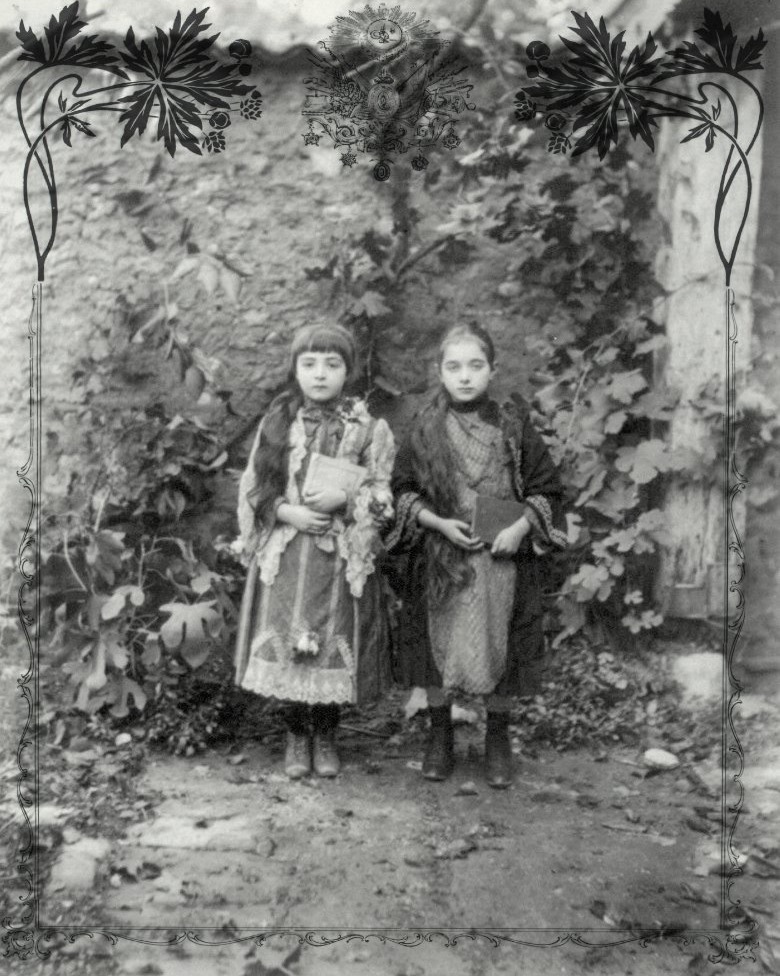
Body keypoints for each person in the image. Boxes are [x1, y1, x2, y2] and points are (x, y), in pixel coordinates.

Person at [386, 323, 567, 788]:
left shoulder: (513, 427)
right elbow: (402, 490)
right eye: (454, 367)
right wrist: (438, 523)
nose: (464, 376)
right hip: (440, 557)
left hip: (501, 559)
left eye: (475, 366)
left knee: (502, 642)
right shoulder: (425, 428)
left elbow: (546, 489)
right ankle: (440, 736)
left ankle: (498, 740)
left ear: (493, 370)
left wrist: (519, 528)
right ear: (440, 372)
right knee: (434, 649)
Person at [234, 323, 395, 779]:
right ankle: (294, 735)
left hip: (337, 557)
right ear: (296, 370)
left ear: (348, 371)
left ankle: (325, 735)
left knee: (329, 639)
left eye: (331, 364)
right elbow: (253, 487)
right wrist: (286, 511)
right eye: (309, 364)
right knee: (289, 640)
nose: (320, 374)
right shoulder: (278, 423)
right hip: (287, 555)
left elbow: (382, 492)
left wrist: (347, 497)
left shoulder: (367, 428)